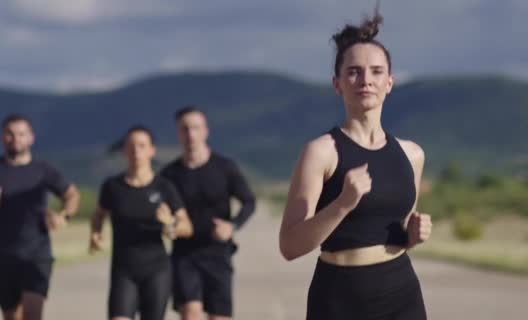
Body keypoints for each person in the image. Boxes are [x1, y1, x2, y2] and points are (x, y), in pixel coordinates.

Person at [278, 9, 432, 320]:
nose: (366, 80)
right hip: (339, 297)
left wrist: (413, 236)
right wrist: (342, 204)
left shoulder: (412, 154)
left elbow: (395, 233)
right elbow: (290, 246)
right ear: (337, 84)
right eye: (354, 72)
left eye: (376, 72)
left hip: (400, 293)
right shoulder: (321, 152)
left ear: (389, 82)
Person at [0, 114, 80, 320]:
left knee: (32, 315)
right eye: (10, 133)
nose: (15, 138)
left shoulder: (43, 170)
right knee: (11, 317)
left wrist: (64, 216)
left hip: (37, 255)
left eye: (21, 134)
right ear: (2, 138)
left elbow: (71, 195)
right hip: (3, 257)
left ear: (31, 138)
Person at [160, 106, 256, 320]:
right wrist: (167, 224)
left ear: (205, 131)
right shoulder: (169, 174)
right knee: (190, 312)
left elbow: (249, 202)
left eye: (195, 128)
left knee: (218, 316)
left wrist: (233, 226)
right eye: (184, 129)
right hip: (184, 254)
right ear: (178, 133)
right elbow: (161, 210)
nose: (190, 134)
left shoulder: (225, 167)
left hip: (218, 253)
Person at [89, 125, 193, 320]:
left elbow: (187, 227)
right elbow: (98, 215)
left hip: (156, 271)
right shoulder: (112, 187)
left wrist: (170, 224)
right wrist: (95, 233)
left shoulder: (164, 187)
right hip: (123, 270)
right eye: (131, 146)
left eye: (142, 145)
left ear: (151, 150)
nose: (136, 150)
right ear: (123, 151)